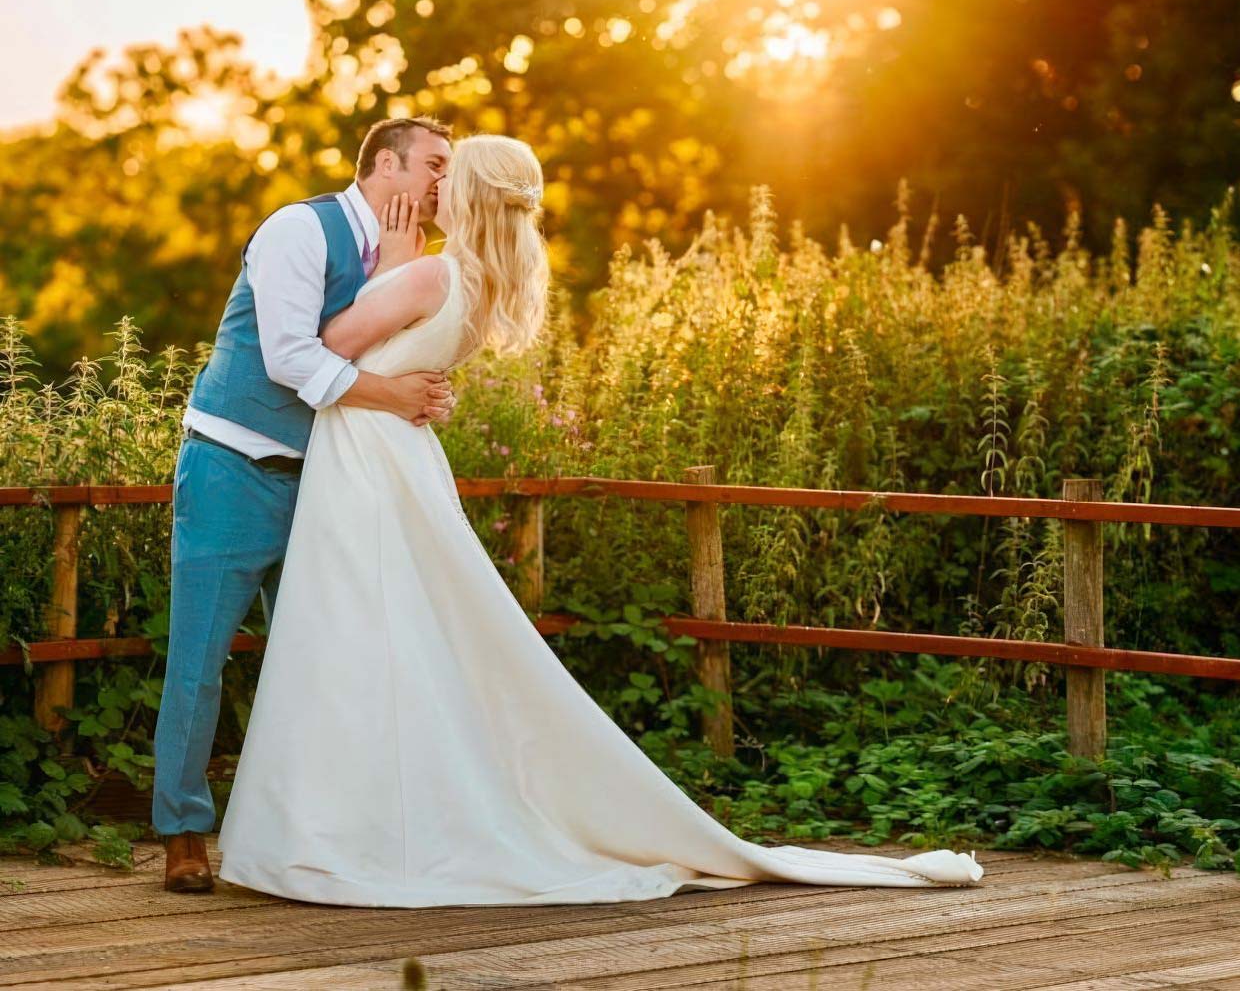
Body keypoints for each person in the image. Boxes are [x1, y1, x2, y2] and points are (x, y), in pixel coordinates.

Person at [214, 133, 983, 906]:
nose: (438, 185)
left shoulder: (425, 273)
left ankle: (345, 829)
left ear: (470, 196)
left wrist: (385, 256)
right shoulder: (483, 285)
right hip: (396, 458)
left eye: (452, 175)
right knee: (390, 637)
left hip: (368, 464)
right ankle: (363, 819)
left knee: (355, 635)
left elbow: (323, 347)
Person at [153, 116, 459, 893]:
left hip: (330, 479)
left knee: (329, 661)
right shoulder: (298, 227)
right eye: (432, 165)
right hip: (233, 467)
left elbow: (386, 351)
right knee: (200, 662)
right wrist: (394, 394)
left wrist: (424, 387)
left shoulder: (410, 257)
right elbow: (290, 355)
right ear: (384, 164)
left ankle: (314, 828)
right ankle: (184, 833)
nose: (440, 184)